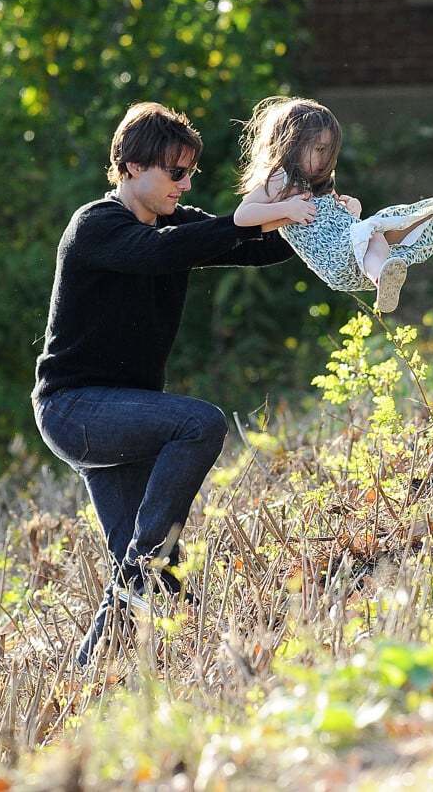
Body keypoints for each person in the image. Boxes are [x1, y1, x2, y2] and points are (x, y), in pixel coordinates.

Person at [32, 101, 316, 667]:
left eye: (190, 173)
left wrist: (324, 221)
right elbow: (161, 254)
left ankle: (85, 681)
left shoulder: (176, 223)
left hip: (124, 415)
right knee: (200, 423)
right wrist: (239, 219)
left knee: (157, 576)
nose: (185, 185)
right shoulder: (96, 225)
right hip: (75, 410)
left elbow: (251, 249)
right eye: (174, 173)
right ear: (131, 167)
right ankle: (138, 573)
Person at [233, 96, 433, 313]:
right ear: (291, 142)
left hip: (356, 250)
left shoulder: (317, 185)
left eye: (330, 151)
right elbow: (242, 216)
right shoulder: (279, 178)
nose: (326, 159)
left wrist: (350, 208)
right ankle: (383, 278)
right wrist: (286, 210)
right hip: (339, 260)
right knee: (375, 232)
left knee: (428, 217)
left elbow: (336, 219)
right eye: (318, 149)